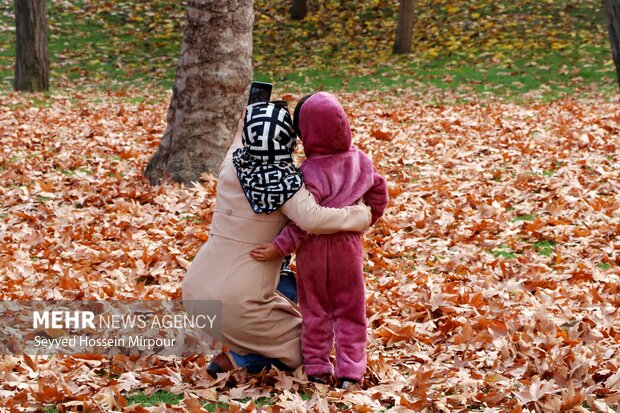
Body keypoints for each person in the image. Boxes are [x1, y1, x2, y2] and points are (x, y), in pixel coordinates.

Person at [182, 101, 372, 376]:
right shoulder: (285, 186)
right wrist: (360, 216)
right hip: (238, 303)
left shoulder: (231, 165)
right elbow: (314, 219)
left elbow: (238, 138)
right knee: (308, 348)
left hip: (195, 292)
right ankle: (242, 360)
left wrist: (250, 111)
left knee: (285, 297)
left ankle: (246, 347)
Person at [250, 92, 389, 388]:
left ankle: (316, 365)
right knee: (351, 310)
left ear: (306, 133)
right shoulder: (362, 161)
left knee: (315, 310)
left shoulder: (309, 172)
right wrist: (364, 221)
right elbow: (379, 193)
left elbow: (302, 223)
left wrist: (279, 247)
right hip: (347, 250)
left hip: (312, 253)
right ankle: (351, 372)